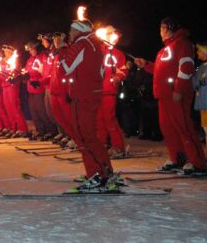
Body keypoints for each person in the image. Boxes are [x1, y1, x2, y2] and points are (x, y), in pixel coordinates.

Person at [134, 17, 207, 174]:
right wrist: (146, 64)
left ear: (168, 28)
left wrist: (178, 90)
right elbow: (161, 71)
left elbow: (186, 67)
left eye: (161, 28)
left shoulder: (183, 44)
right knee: (168, 129)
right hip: (164, 95)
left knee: (183, 127)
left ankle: (198, 163)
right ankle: (177, 159)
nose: (160, 32)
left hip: (176, 94)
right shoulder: (164, 50)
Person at [59, 20, 115, 192]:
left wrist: (61, 50)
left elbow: (65, 68)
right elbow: (101, 72)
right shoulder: (95, 45)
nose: (69, 33)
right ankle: (105, 171)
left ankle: (97, 175)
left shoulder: (81, 44)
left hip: (82, 96)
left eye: (71, 30)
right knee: (91, 135)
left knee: (84, 137)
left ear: (78, 30)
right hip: (93, 94)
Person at [96, 26, 129, 155]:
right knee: (99, 119)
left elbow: (124, 70)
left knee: (109, 118)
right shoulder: (97, 51)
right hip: (97, 90)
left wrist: (118, 77)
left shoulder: (118, 54)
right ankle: (102, 143)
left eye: (110, 34)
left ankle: (118, 146)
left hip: (109, 90)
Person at [24, 41, 56, 140]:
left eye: (32, 49)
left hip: (39, 87)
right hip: (30, 88)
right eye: (29, 50)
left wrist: (34, 77)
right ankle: (40, 130)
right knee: (34, 111)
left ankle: (51, 131)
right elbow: (27, 70)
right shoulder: (29, 60)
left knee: (42, 110)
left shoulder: (42, 57)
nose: (31, 52)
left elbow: (43, 71)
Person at [192, 41, 207, 164]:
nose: (197, 53)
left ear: (206, 52)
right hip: (204, 103)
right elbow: (195, 84)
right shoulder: (202, 67)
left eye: (199, 51)